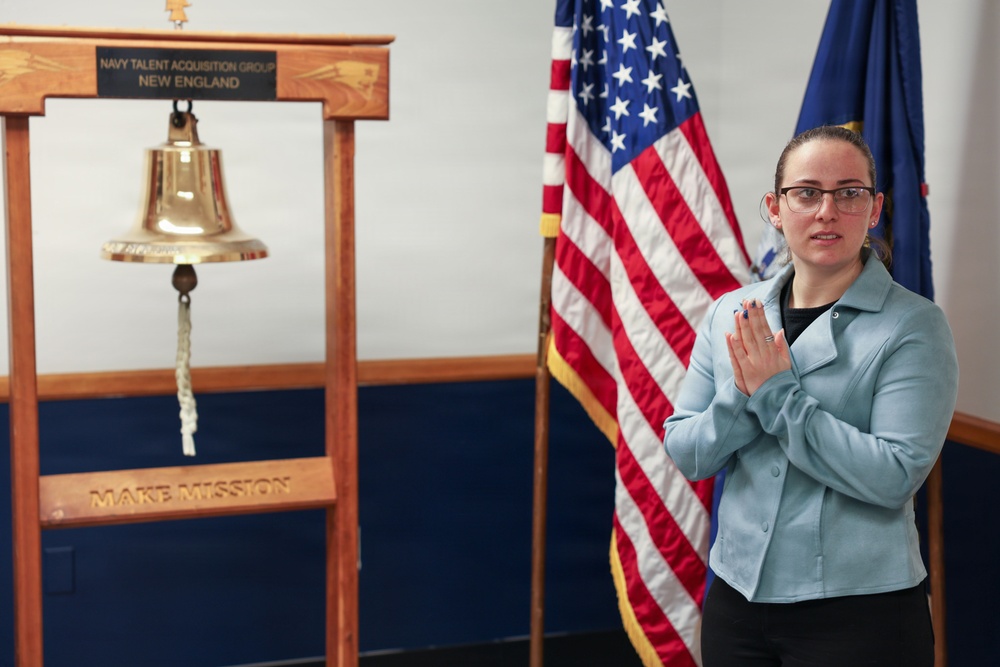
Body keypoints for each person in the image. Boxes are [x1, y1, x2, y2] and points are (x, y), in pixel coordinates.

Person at [662, 125, 959, 667]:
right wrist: (741, 396)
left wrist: (776, 395)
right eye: (807, 193)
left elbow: (893, 475)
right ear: (775, 208)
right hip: (738, 601)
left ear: (874, 209)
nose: (827, 211)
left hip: (861, 614)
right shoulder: (731, 311)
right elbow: (688, 451)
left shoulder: (915, 326)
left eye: (849, 192)